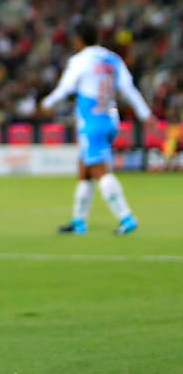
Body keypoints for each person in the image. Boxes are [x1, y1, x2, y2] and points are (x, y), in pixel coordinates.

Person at [41, 22, 153, 235]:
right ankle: (79, 222)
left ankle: (126, 217)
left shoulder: (80, 60)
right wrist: (145, 114)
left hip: (92, 121)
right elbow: (129, 89)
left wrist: (47, 103)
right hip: (110, 118)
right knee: (85, 171)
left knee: (100, 171)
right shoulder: (112, 59)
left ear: (79, 40)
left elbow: (66, 88)